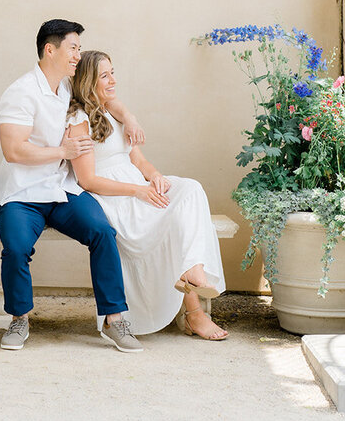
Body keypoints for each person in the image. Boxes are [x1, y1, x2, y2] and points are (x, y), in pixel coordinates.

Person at [0, 20, 145, 353]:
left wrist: (130, 116)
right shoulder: (20, 92)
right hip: (22, 195)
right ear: (51, 50)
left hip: (62, 191)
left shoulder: (66, 88)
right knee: (17, 248)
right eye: (73, 48)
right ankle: (19, 318)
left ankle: (115, 320)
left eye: (79, 48)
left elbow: (104, 96)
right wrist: (63, 152)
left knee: (102, 232)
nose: (78, 55)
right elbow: (14, 150)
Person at [66, 50, 228, 341]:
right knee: (172, 220)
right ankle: (195, 314)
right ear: (89, 81)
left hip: (138, 187)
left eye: (113, 72)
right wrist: (138, 190)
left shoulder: (114, 114)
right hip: (115, 198)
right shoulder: (79, 120)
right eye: (105, 75)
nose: (113, 80)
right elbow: (87, 180)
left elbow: (139, 162)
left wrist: (154, 177)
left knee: (190, 189)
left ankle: (193, 268)